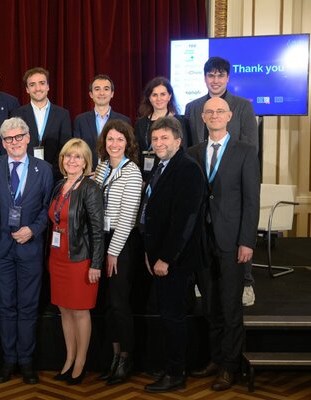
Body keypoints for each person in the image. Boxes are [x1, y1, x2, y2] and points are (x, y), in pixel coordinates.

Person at [188, 97, 260, 391]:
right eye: (209, 112)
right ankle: (216, 359)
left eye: (220, 111)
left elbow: (251, 201)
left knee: (230, 306)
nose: (214, 115)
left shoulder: (245, 151)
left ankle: (230, 366)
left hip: (232, 241)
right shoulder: (193, 152)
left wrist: (247, 241)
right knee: (211, 304)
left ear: (229, 116)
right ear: (202, 117)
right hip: (203, 241)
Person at [184, 57, 258, 306]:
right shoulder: (193, 107)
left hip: (233, 183)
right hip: (204, 186)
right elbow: (190, 149)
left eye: (220, 75)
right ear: (205, 78)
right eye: (211, 75)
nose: (215, 80)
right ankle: (202, 282)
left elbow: (251, 146)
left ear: (227, 78)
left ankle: (246, 282)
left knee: (236, 242)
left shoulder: (242, 106)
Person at [0, 117, 54, 384]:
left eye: (18, 137)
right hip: (1, 248)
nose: (14, 142)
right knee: (5, 306)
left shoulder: (44, 169)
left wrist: (33, 230)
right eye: (8, 139)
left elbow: (48, 208)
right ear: (3, 143)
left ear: (27, 138)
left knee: (28, 306)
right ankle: (8, 360)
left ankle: (26, 361)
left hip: (30, 248)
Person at [140, 117, 205, 393]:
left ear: (178, 141)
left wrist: (166, 258)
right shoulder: (161, 166)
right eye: (155, 139)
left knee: (174, 317)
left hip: (175, 262)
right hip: (158, 256)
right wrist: (150, 252)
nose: (158, 143)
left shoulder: (187, 169)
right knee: (166, 315)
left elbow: (184, 221)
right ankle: (170, 366)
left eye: (164, 138)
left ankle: (176, 373)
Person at [48, 138, 104, 385]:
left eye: (77, 156)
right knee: (64, 310)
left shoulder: (90, 188)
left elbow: (97, 230)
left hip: (80, 260)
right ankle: (69, 359)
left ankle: (80, 363)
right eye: (68, 156)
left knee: (80, 312)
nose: (72, 160)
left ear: (85, 162)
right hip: (57, 258)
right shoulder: (59, 185)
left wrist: (96, 264)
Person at [93, 120, 142, 385]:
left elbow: (127, 218)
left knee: (119, 303)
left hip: (120, 243)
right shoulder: (102, 167)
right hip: (101, 239)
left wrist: (112, 253)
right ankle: (113, 357)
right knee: (108, 304)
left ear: (128, 143)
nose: (114, 144)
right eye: (110, 139)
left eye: (120, 140)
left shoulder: (132, 172)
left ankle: (126, 358)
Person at [12, 67, 72, 180]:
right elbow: (14, 145)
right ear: (27, 89)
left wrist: (54, 171)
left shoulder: (62, 114)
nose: (38, 88)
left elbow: (66, 147)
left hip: (55, 174)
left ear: (48, 86)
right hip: (25, 174)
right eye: (32, 85)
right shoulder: (17, 114)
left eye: (42, 83)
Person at [134, 77, 186, 181]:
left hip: (171, 174)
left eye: (163, 94)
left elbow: (183, 150)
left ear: (169, 96)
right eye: (154, 95)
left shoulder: (178, 121)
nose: (159, 98)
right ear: (149, 98)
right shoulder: (141, 123)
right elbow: (136, 151)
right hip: (145, 176)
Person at [74, 74, 131, 168]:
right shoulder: (80, 120)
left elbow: (128, 150)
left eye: (106, 89)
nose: (102, 93)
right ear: (91, 94)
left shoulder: (124, 121)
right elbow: (77, 150)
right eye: (97, 89)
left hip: (115, 171)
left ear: (112, 94)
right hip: (88, 172)